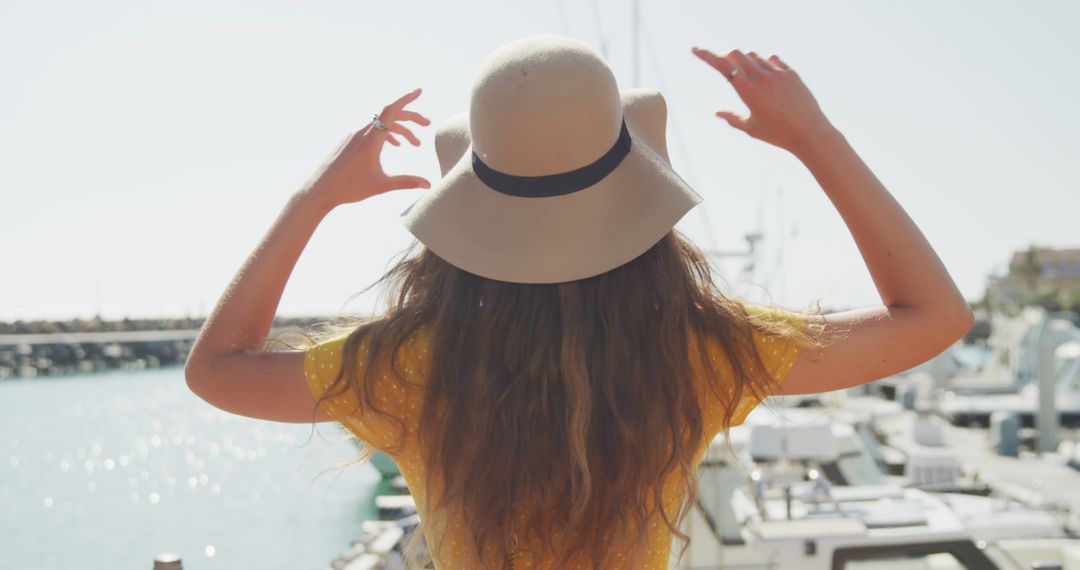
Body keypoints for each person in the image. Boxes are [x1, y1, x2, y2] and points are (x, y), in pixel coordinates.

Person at [185, 34, 973, 570]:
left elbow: (217, 369)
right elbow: (934, 317)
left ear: (472, 210)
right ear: (636, 194)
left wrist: (312, 198)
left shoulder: (409, 369)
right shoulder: (698, 355)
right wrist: (814, 138)